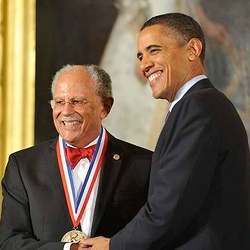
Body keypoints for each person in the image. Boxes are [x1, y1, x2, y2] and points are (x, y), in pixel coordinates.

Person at [82, 13, 250, 250]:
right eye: (140, 56)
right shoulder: (198, 105)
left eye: (154, 50)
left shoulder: (198, 107)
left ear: (192, 49)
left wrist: (112, 246)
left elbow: (170, 207)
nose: (144, 65)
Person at [0, 64, 152, 250]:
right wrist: (67, 249)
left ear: (105, 107)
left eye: (77, 101)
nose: (66, 111)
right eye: (59, 102)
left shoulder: (143, 165)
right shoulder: (23, 166)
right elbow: (10, 242)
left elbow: (156, 236)